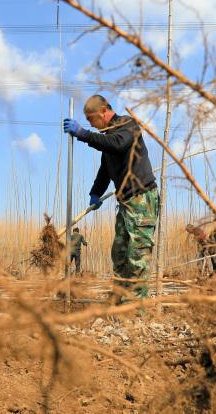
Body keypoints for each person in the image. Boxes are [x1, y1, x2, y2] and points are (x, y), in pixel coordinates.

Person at [63, 95, 158, 302]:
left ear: (104, 111)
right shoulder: (108, 137)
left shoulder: (127, 125)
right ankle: (120, 300)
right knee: (120, 254)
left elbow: (118, 144)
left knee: (137, 257)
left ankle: (133, 309)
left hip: (142, 199)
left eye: (91, 120)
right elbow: (105, 169)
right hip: (125, 203)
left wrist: (83, 134)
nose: (90, 125)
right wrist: (95, 192)